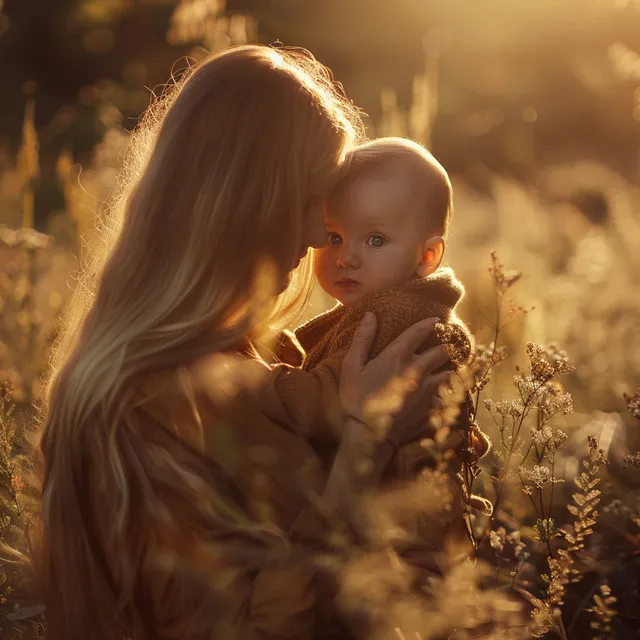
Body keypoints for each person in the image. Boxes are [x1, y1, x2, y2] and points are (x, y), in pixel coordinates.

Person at [32, 45, 456, 640]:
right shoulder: (140, 407)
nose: (317, 238)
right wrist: (368, 440)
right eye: (311, 204)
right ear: (241, 203)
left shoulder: (270, 359)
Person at [259, 137, 492, 576]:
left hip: (402, 530)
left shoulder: (396, 318)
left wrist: (253, 378)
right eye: (333, 236)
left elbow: (328, 399)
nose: (346, 257)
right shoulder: (391, 305)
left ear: (428, 255)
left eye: (376, 240)